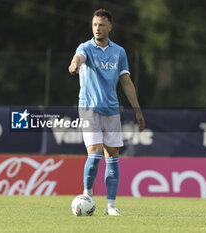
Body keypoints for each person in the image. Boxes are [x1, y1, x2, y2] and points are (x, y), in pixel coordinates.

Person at [68, 8, 145, 216]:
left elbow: (126, 83)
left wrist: (137, 110)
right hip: (89, 110)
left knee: (112, 157)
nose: (97, 29)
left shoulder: (119, 52)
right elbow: (79, 57)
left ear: (110, 27)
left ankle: (111, 206)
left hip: (111, 111)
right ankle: (87, 195)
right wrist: (74, 64)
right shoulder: (86, 47)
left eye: (101, 25)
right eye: (94, 25)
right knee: (94, 155)